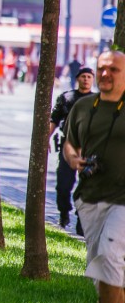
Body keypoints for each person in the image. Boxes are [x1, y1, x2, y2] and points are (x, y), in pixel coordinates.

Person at [62, 51, 125, 303]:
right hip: (89, 197)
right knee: (100, 265)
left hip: (123, 199)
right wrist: (74, 158)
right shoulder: (84, 106)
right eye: (102, 68)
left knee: (110, 254)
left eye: (114, 69)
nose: (105, 74)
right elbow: (69, 144)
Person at [49, 67, 95, 229]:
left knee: (87, 186)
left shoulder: (99, 100)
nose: (86, 79)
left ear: (93, 80)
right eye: (83, 76)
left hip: (90, 149)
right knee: (63, 186)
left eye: (89, 76)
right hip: (68, 147)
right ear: (78, 79)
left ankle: (81, 221)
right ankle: (63, 212)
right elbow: (54, 120)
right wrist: (46, 138)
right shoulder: (67, 97)